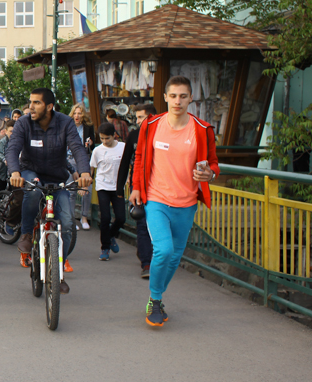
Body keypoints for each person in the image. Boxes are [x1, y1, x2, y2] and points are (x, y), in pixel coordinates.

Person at [130, 76, 219, 328]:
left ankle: (156, 295)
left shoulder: (202, 129)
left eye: (183, 96)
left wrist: (209, 174)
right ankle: (155, 300)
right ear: (165, 98)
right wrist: (136, 186)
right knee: (164, 250)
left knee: (175, 257)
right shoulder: (151, 125)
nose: (177, 101)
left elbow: (213, 163)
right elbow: (139, 157)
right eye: (173, 96)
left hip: (187, 202)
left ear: (191, 98)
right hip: (156, 199)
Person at [6, 88, 92, 294]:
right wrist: (15, 171)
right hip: (29, 171)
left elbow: (77, 148)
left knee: (69, 223)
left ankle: (58, 269)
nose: (31, 107)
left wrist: (84, 171)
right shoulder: (23, 123)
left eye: (36, 103)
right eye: (31, 102)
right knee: (33, 190)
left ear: (49, 107)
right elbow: (13, 148)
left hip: (56, 177)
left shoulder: (65, 122)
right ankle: (26, 233)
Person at [118, 103, 157, 278]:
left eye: (141, 117)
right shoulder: (134, 135)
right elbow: (126, 161)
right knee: (141, 222)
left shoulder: (161, 134)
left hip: (158, 185)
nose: (138, 121)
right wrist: (120, 187)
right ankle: (146, 263)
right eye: (138, 117)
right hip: (138, 184)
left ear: (152, 117)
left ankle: (153, 256)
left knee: (155, 225)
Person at [90, 122, 126, 262]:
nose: (104, 141)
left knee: (121, 218)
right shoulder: (97, 151)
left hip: (118, 187)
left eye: (107, 138)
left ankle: (111, 236)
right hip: (102, 186)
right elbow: (92, 168)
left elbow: (129, 163)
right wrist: (87, 183)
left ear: (114, 136)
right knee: (105, 218)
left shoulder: (122, 147)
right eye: (102, 138)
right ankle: (105, 248)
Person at [69, 103, 95, 231]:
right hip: (70, 159)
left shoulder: (88, 127)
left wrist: (90, 143)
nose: (77, 115)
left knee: (86, 189)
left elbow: (93, 145)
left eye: (79, 113)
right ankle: (72, 218)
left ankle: (84, 217)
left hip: (84, 159)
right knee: (71, 191)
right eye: (75, 113)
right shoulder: (69, 126)